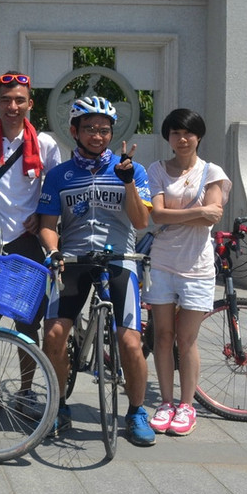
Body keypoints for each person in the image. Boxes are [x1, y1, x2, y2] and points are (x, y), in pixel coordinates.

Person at [37, 95, 155, 446]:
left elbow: (141, 220)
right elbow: (47, 224)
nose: (98, 136)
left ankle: (136, 411)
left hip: (119, 260)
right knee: (54, 335)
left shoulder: (131, 169)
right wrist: (54, 250)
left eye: (104, 130)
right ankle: (58, 407)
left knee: (130, 342)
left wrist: (129, 180)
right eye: (89, 129)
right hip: (72, 259)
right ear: (74, 131)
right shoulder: (59, 175)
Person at [0, 72, 62, 410]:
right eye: (6, 100)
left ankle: (26, 390)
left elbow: (54, 191)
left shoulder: (46, 144)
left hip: (26, 241)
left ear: (30, 104)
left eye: (19, 100)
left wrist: (42, 215)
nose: (13, 106)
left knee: (27, 322)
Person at [144, 108, 230, 437]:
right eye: (175, 133)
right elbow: (159, 216)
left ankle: (187, 405)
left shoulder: (213, 172)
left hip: (197, 267)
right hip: (163, 263)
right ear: (168, 137)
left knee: (187, 339)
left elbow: (213, 217)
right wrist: (198, 211)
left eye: (188, 133)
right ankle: (166, 402)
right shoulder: (157, 169)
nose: (182, 139)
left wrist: (178, 213)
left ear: (198, 136)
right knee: (162, 337)